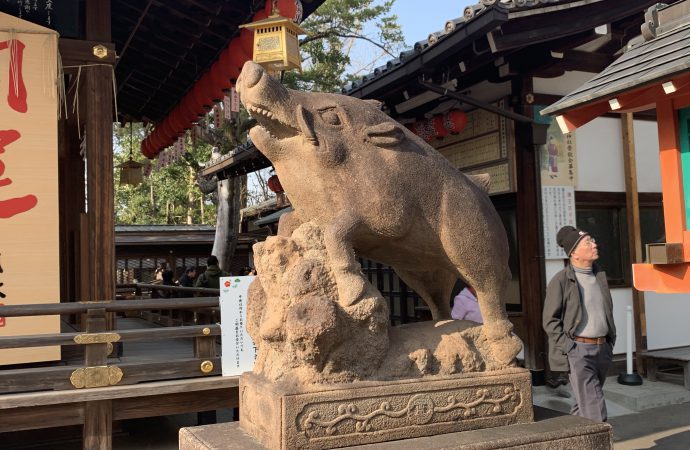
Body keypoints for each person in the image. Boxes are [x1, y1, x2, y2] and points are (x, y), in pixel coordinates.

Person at [543, 225, 616, 422]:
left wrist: (610, 342)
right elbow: (550, 321)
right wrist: (570, 348)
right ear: (573, 252)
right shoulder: (561, 280)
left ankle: (569, 439)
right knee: (595, 406)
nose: (594, 244)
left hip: (603, 349)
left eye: (592, 240)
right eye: (588, 242)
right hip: (579, 351)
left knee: (584, 404)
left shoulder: (599, 276)